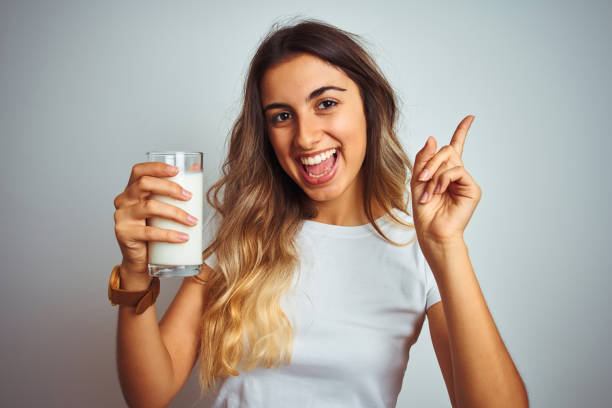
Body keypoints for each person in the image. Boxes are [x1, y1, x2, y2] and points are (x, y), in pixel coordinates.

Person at [111, 19, 529, 407]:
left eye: (325, 103)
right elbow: (149, 393)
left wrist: (446, 245)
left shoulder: (417, 248)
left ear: (369, 106)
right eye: (282, 116)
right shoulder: (242, 234)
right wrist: (133, 274)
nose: (306, 137)